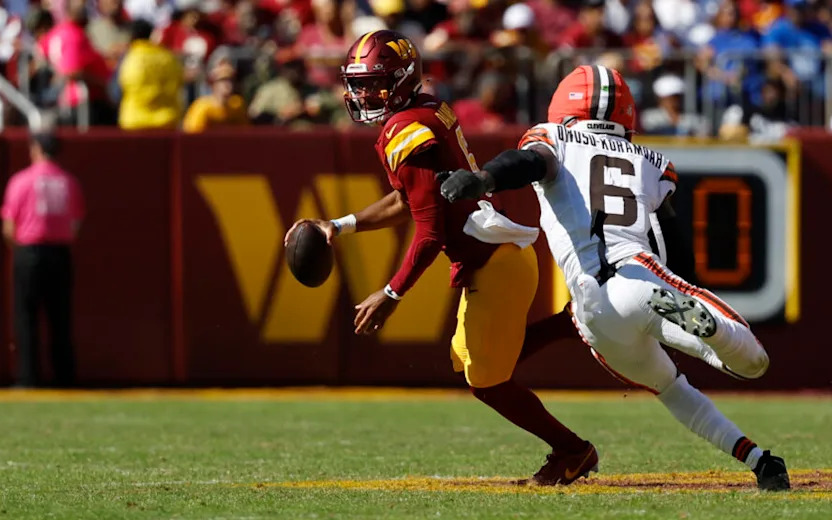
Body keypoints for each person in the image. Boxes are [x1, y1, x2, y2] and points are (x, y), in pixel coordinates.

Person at [439, 65, 790, 491]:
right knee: (753, 362)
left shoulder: (554, 137)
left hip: (595, 315)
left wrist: (483, 179)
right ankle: (714, 341)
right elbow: (675, 244)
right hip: (637, 276)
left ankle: (759, 460)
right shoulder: (649, 159)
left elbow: (529, 162)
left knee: (672, 389)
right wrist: (689, 285)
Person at [285, 30, 599, 486]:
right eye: (359, 83)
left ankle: (573, 451)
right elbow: (406, 200)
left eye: (374, 82)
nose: (362, 93)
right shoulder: (422, 110)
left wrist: (392, 293)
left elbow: (430, 231)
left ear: (403, 79)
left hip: (497, 264)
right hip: (494, 257)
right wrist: (340, 225)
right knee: (471, 361)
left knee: (487, 381)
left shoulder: (407, 129)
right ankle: (567, 326)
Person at [1, 132, 84, 388]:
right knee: (60, 317)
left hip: (29, 252)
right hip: (59, 252)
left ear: (35, 149)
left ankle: (28, 377)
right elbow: (75, 224)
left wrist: (20, 248)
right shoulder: (68, 182)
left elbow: (9, 226)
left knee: (26, 318)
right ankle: (64, 377)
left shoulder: (21, 181)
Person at [117, 19, 184, 129]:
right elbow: (179, 82)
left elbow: (116, 91)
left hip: (135, 122)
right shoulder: (168, 57)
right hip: (166, 120)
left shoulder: (130, 57)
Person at [182, 60, 249, 132]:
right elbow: (192, 135)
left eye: (231, 80)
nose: (228, 85)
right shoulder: (202, 107)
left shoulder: (238, 105)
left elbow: (245, 132)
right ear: (212, 84)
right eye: (223, 80)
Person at [640, 74, 710, 136]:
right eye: (669, 97)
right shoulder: (649, 117)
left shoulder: (696, 120)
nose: (674, 100)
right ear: (660, 99)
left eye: (677, 96)